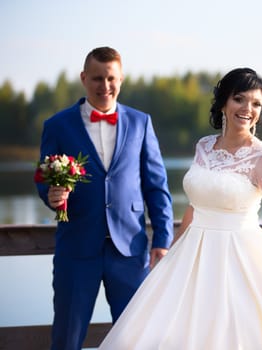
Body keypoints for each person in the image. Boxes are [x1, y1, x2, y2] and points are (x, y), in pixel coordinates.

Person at [98, 67, 262, 349]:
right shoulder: (204, 146)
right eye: (240, 99)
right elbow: (194, 206)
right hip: (191, 255)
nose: (248, 109)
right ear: (224, 102)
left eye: (256, 103)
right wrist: (173, 250)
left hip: (241, 258)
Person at [35, 46, 174, 350]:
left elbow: (157, 186)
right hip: (76, 249)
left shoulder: (141, 123)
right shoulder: (57, 125)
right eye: (97, 78)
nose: (105, 86)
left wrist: (163, 240)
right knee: (67, 337)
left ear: (121, 79)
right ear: (84, 78)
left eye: (111, 78)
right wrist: (53, 195)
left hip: (131, 250)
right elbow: (44, 178)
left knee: (135, 338)